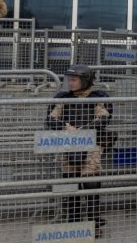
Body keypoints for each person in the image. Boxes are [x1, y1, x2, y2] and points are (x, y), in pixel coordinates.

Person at [45, 64, 112, 239]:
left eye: (74, 80)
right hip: (68, 145)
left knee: (91, 184)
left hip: (91, 145)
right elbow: (50, 119)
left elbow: (103, 118)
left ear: (85, 80)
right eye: (69, 80)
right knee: (70, 184)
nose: (70, 83)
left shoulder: (97, 97)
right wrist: (64, 127)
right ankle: (74, 223)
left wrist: (81, 130)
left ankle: (94, 223)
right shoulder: (63, 98)